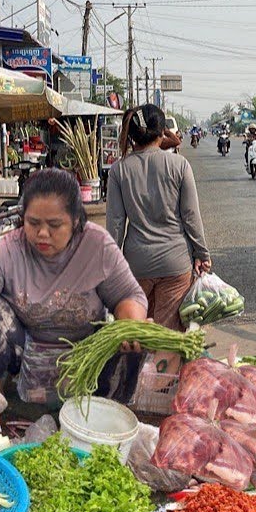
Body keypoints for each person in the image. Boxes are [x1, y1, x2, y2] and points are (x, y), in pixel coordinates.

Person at [0, 169, 149, 405]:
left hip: (86, 351)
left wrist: (130, 324)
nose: (42, 233)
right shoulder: (10, 250)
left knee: (133, 338)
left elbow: (128, 295)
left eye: (54, 225)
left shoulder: (97, 245)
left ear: (76, 220)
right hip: (27, 351)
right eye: (33, 223)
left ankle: (106, 414)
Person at [108, 105, 212, 398]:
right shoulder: (179, 166)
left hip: (135, 266)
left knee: (135, 333)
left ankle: (130, 393)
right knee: (166, 335)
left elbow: (115, 224)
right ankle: (157, 398)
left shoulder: (119, 169)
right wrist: (201, 253)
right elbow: (191, 216)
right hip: (174, 264)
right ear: (161, 131)